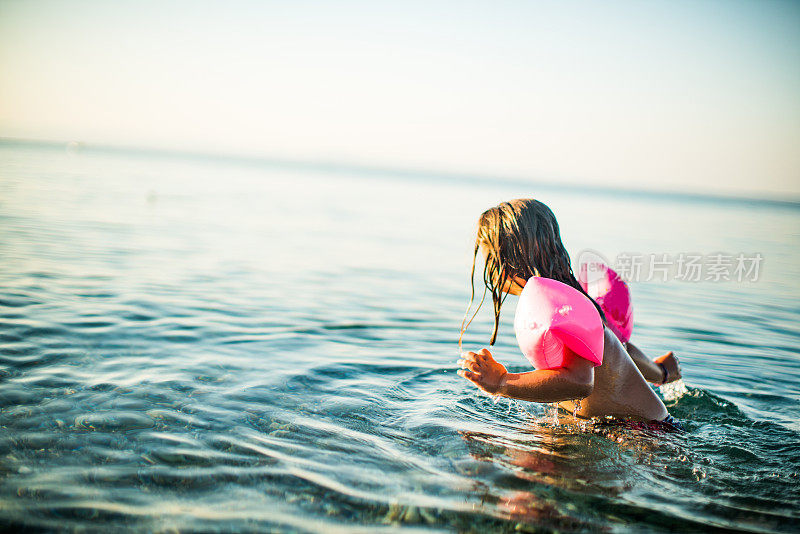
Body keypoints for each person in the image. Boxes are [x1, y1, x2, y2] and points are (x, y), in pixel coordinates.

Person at [457, 199, 682, 427]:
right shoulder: (572, 301)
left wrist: (502, 382)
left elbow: (580, 381)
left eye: (488, 256)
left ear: (507, 259)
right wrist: (661, 372)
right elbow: (620, 350)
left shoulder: (558, 308)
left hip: (641, 434)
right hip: (631, 426)